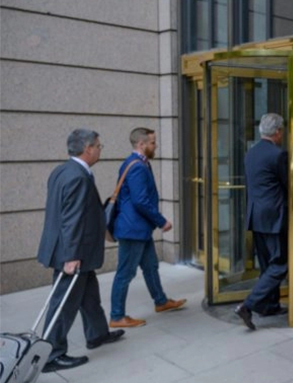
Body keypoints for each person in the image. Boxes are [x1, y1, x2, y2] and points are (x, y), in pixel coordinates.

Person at [37, 129, 125, 373]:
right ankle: (51, 354)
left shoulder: (63, 171)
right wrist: (71, 256)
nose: (100, 149)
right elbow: (72, 219)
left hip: (75, 249)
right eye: (98, 146)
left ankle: (97, 334)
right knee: (63, 304)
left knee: (89, 296)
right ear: (87, 148)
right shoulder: (77, 176)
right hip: (73, 252)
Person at [109, 128, 186, 328]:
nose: (156, 145)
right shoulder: (137, 167)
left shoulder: (138, 163)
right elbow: (140, 201)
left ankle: (161, 301)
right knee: (125, 273)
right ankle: (117, 316)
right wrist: (162, 221)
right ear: (141, 145)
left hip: (139, 229)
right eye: (152, 142)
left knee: (150, 266)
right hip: (133, 230)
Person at [235, 113, 289, 330]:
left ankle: (269, 306)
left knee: (267, 264)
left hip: (255, 216)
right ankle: (248, 305)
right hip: (274, 217)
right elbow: (288, 185)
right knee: (280, 264)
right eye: (282, 131)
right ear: (277, 132)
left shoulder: (251, 153)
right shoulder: (279, 154)